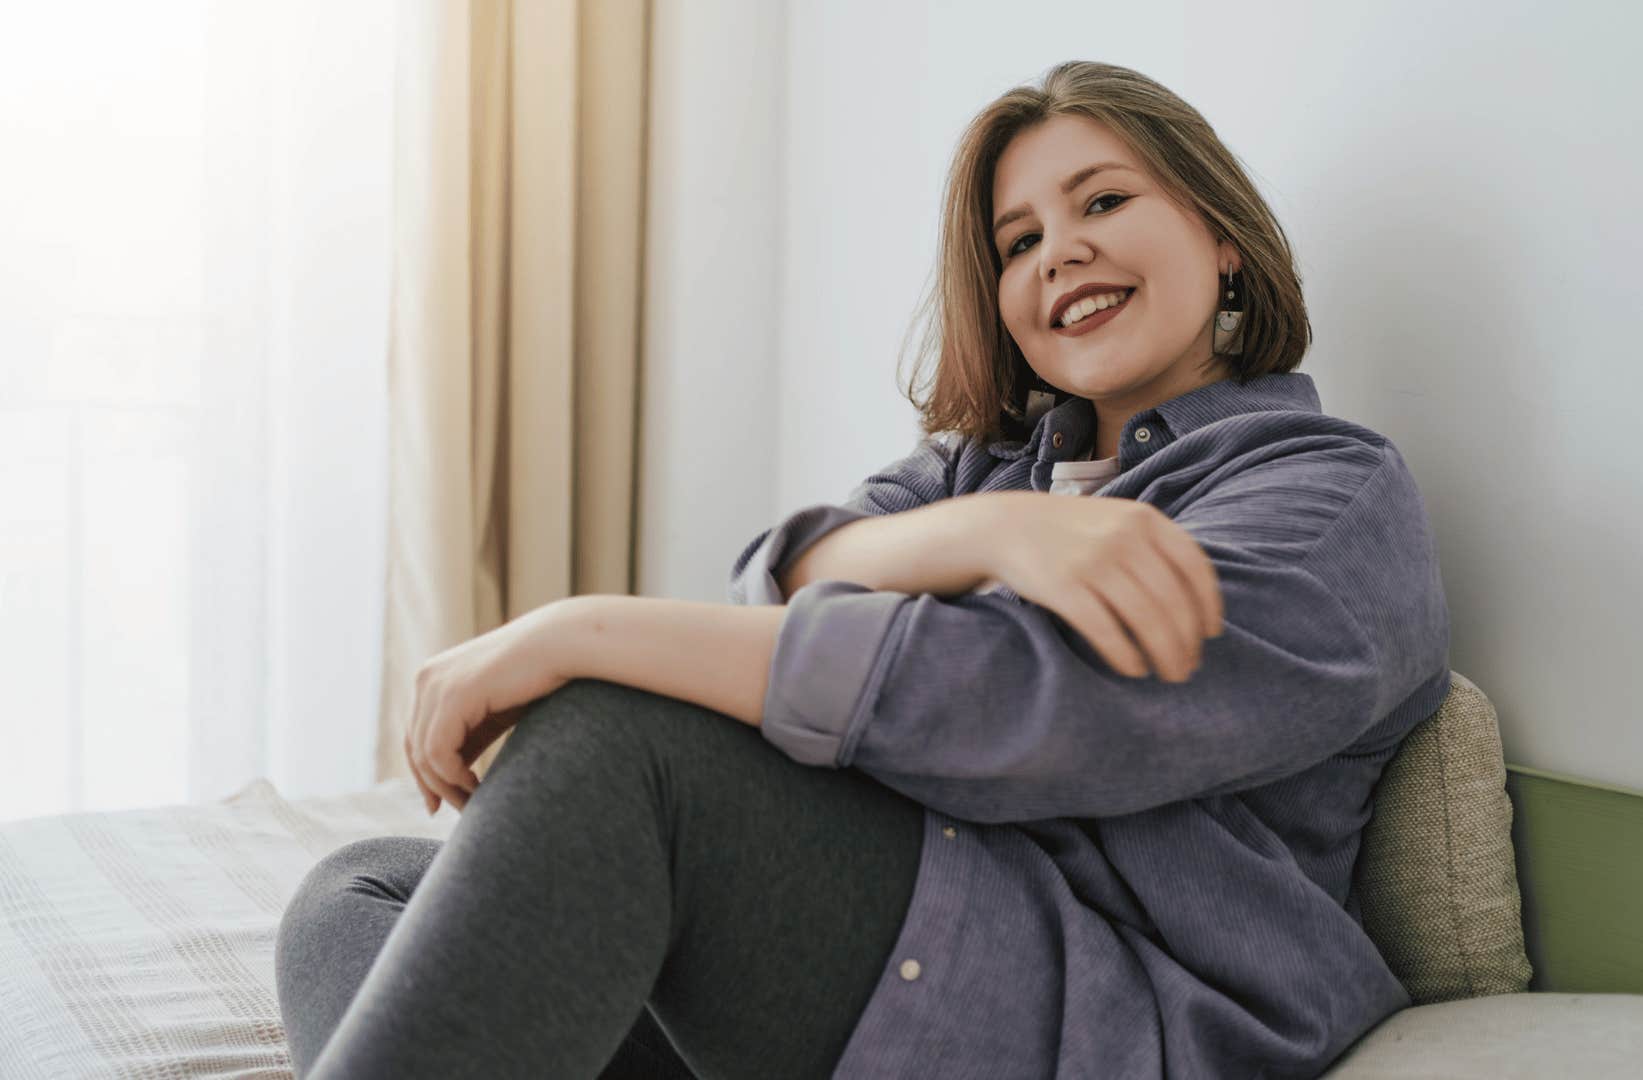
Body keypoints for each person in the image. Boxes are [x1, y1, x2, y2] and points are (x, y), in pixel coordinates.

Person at [274, 59, 1450, 1079]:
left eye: (1103, 200)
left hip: (1104, 1013)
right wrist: (989, 533)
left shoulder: (1328, 497)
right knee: (357, 891)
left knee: (615, 742)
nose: (1062, 250)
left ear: (1223, 240)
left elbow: (1017, 705)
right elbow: (776, 588)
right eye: (1020, 239)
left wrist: (579, 629)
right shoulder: (984, 473)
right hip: (884, 938)